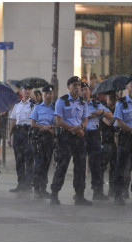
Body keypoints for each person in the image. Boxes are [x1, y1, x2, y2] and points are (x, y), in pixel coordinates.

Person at [50, 76, 91, 206]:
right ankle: (54, 194)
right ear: (68, 87)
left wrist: (81, 127)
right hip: (66, 137)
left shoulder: (83, 102)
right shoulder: (61, 101)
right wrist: (73, 129)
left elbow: (85, 119)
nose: (77, 88)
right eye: (74, 85)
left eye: (79, 85)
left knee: (80, 167)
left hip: (79, 136)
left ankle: (79, 195)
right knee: (62, 165)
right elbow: (58, 121)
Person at [113, 76, 132, 206]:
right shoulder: (121, 103)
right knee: (121, 166)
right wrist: (131, 130)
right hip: (125, 136)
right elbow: (118, 121)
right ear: (126, 86)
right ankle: (118, 194)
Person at [81, 82, 112, 200]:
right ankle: (80, 193)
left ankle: (97, 191)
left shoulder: (96, 104)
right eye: (82, 90)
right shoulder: (76, 104)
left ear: (90, 91)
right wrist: (88, 116)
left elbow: (111, 116)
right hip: (81, 133)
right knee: (80, 164)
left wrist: (101, 112)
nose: (84, 92)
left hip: (94, 134)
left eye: (86, 89)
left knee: (96, 165)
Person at [9, 83, 35, 193]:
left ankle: (28, 185)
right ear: (21, 91)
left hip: (28, 132)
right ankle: (20, 183)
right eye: (25, 89)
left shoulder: (34, 105)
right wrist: (9, 136)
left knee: (29, 159)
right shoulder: (17, 105)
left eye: (29, 89)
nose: (27, 91)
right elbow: (13, 121)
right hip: (18, 132)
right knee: (19, 160)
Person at [30, 84, 55, 199]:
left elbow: (57, 123)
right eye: (46, 94)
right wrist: (42, 127)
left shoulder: (55, 108)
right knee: (38, 164)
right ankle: (36, 188)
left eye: (50, 93)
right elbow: (32, 123)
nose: (48, 95)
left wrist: (50, 127)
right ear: (43, 95)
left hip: (49, 138)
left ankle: (43, 188)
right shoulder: (38, 107)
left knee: (46, 163)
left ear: (52, 94)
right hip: (39, 137)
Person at [99, 91, 118, 197]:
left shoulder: (117, 108)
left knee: (114, 167)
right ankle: (100, 190)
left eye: (114, 97)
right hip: (106, 141)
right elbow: (110, 122)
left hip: (116, 142)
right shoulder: (103, 110)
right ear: (106, 98)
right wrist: (118, 117)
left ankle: (112, 189)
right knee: (102, 167)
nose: (113, 100)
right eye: (111, 97)